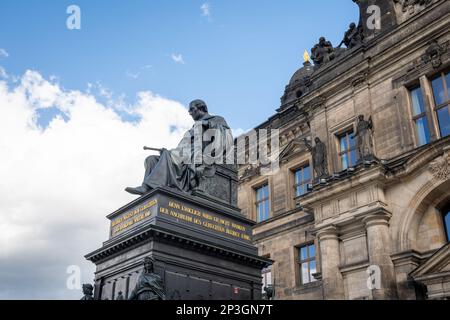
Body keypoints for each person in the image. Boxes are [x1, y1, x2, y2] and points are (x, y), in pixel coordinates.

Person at [125, 99, 233, 196]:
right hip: (185, 156)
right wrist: (167, 151)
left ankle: (148, 186)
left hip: (200, 153)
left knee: (169, 156)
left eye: (192, 110)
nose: (190, 113)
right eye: (189, 111)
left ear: (202, 108)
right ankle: (150, 190)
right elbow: (181, 148)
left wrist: (207, 124)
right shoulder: (192, 129)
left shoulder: (217, 119)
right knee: (151, 160)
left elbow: (226, 137)